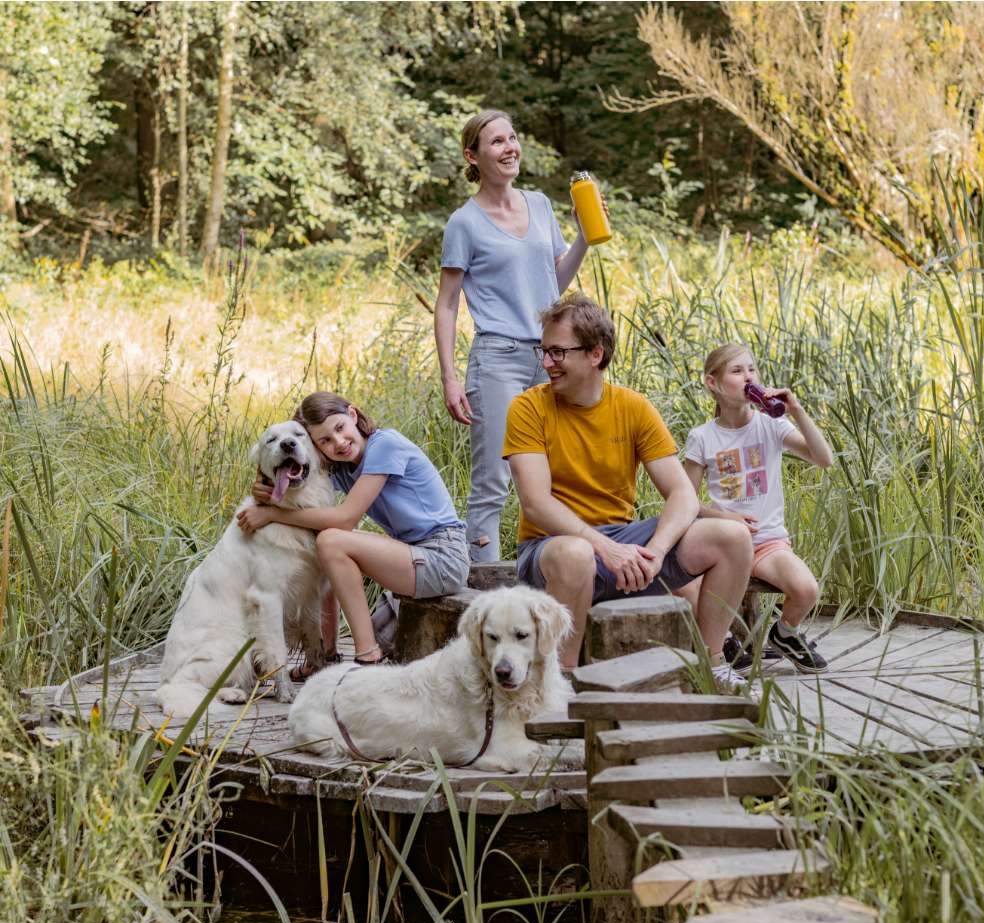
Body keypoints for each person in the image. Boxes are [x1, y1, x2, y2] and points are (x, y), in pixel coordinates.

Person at [504, 294, 754, 688]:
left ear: (594, 354)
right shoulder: (527, 408)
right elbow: (535, 504)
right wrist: (605, 549)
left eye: (557, 352)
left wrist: (654, 552)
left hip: (624, 548)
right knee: (576, 551)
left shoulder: (633, 408)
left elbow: (683, 495)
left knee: (731, 536)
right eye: (544, 351)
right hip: (551, 550)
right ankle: (561, 680)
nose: (547, 363)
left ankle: (713, 663)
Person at [436, 107, 592, 564]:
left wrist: (583, 235)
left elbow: (553, 283)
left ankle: (551, 578)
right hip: (498, 358)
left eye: (512, 138)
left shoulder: (541, 204)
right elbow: (446, 305)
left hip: (553, 359)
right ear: (473, 155)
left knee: (552, 477)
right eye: (497, 142)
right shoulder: (463, 223)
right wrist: (449, 378)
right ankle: (481, 598)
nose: (510, 148)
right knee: (492, 484)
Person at [237, 392, 469, 667]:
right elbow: (303, 484)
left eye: (340, 428)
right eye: (325, 440)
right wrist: (265, 486)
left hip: (443, 557)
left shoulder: (385, 445)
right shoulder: (346, 466)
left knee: (333, 540)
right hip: (414, 553)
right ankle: (326, 655)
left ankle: (368, 655)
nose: (339, 442)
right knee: (325, 541)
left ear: (354, 415)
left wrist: (272, 513)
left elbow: (345, 518)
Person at [680, 344, 837, 673]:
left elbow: (824, 459)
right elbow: (684, 501)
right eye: (737, 371)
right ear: (714, 383)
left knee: (807, 589)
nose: (749, 377)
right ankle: (720, 642)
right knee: (685, 587)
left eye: (752, 369)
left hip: (766, 542)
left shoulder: (771, 426)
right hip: (722, 543)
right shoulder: (703, 437)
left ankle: (785, 635)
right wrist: (726, 518)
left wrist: (796, 411)